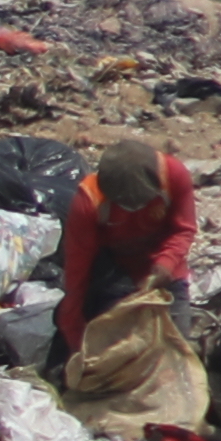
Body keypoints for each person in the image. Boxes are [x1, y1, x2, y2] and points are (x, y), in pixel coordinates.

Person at [56, 139, 197, 344]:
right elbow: (77, 273)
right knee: (117, 348)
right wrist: (75, 337)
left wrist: (163, 266)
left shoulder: (173, 175)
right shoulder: (88, 202)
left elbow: (184, 230)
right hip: (115, 274)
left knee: (176, 344)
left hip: (165, 270)